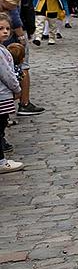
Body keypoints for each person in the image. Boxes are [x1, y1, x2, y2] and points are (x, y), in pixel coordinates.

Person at [0, 13, 23, 172]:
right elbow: (7, 74)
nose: (5, 32)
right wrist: (17, 88)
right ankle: (1, 161)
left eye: (7, 28)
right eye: (0, 28)